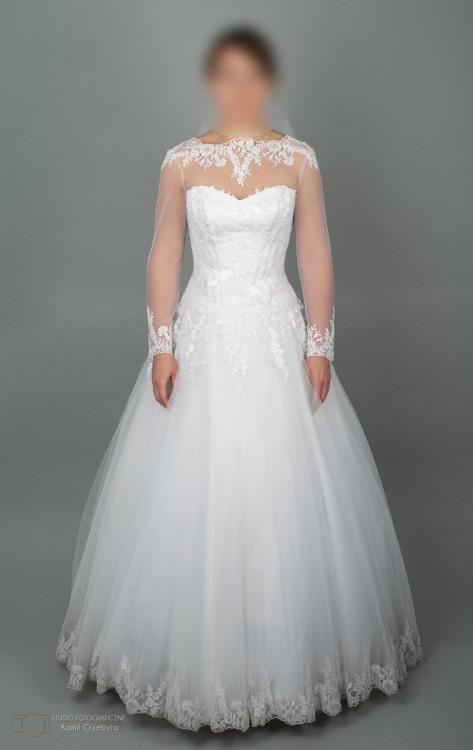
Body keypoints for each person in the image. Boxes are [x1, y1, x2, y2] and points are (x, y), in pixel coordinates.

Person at [57, 27, 422, 732]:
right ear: (211, 83)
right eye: (227, 75)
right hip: (202, 333)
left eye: (252, 75)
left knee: (281, 483)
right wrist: (161, 344)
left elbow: (314, 252)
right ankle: (191, 651)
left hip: (276, 335)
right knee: (196, 483)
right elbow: (164, 254)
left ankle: (282, 650)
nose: (240, 88)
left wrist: (320, 344)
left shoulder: (299, 160)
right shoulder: (181, 161)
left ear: (269, 83)